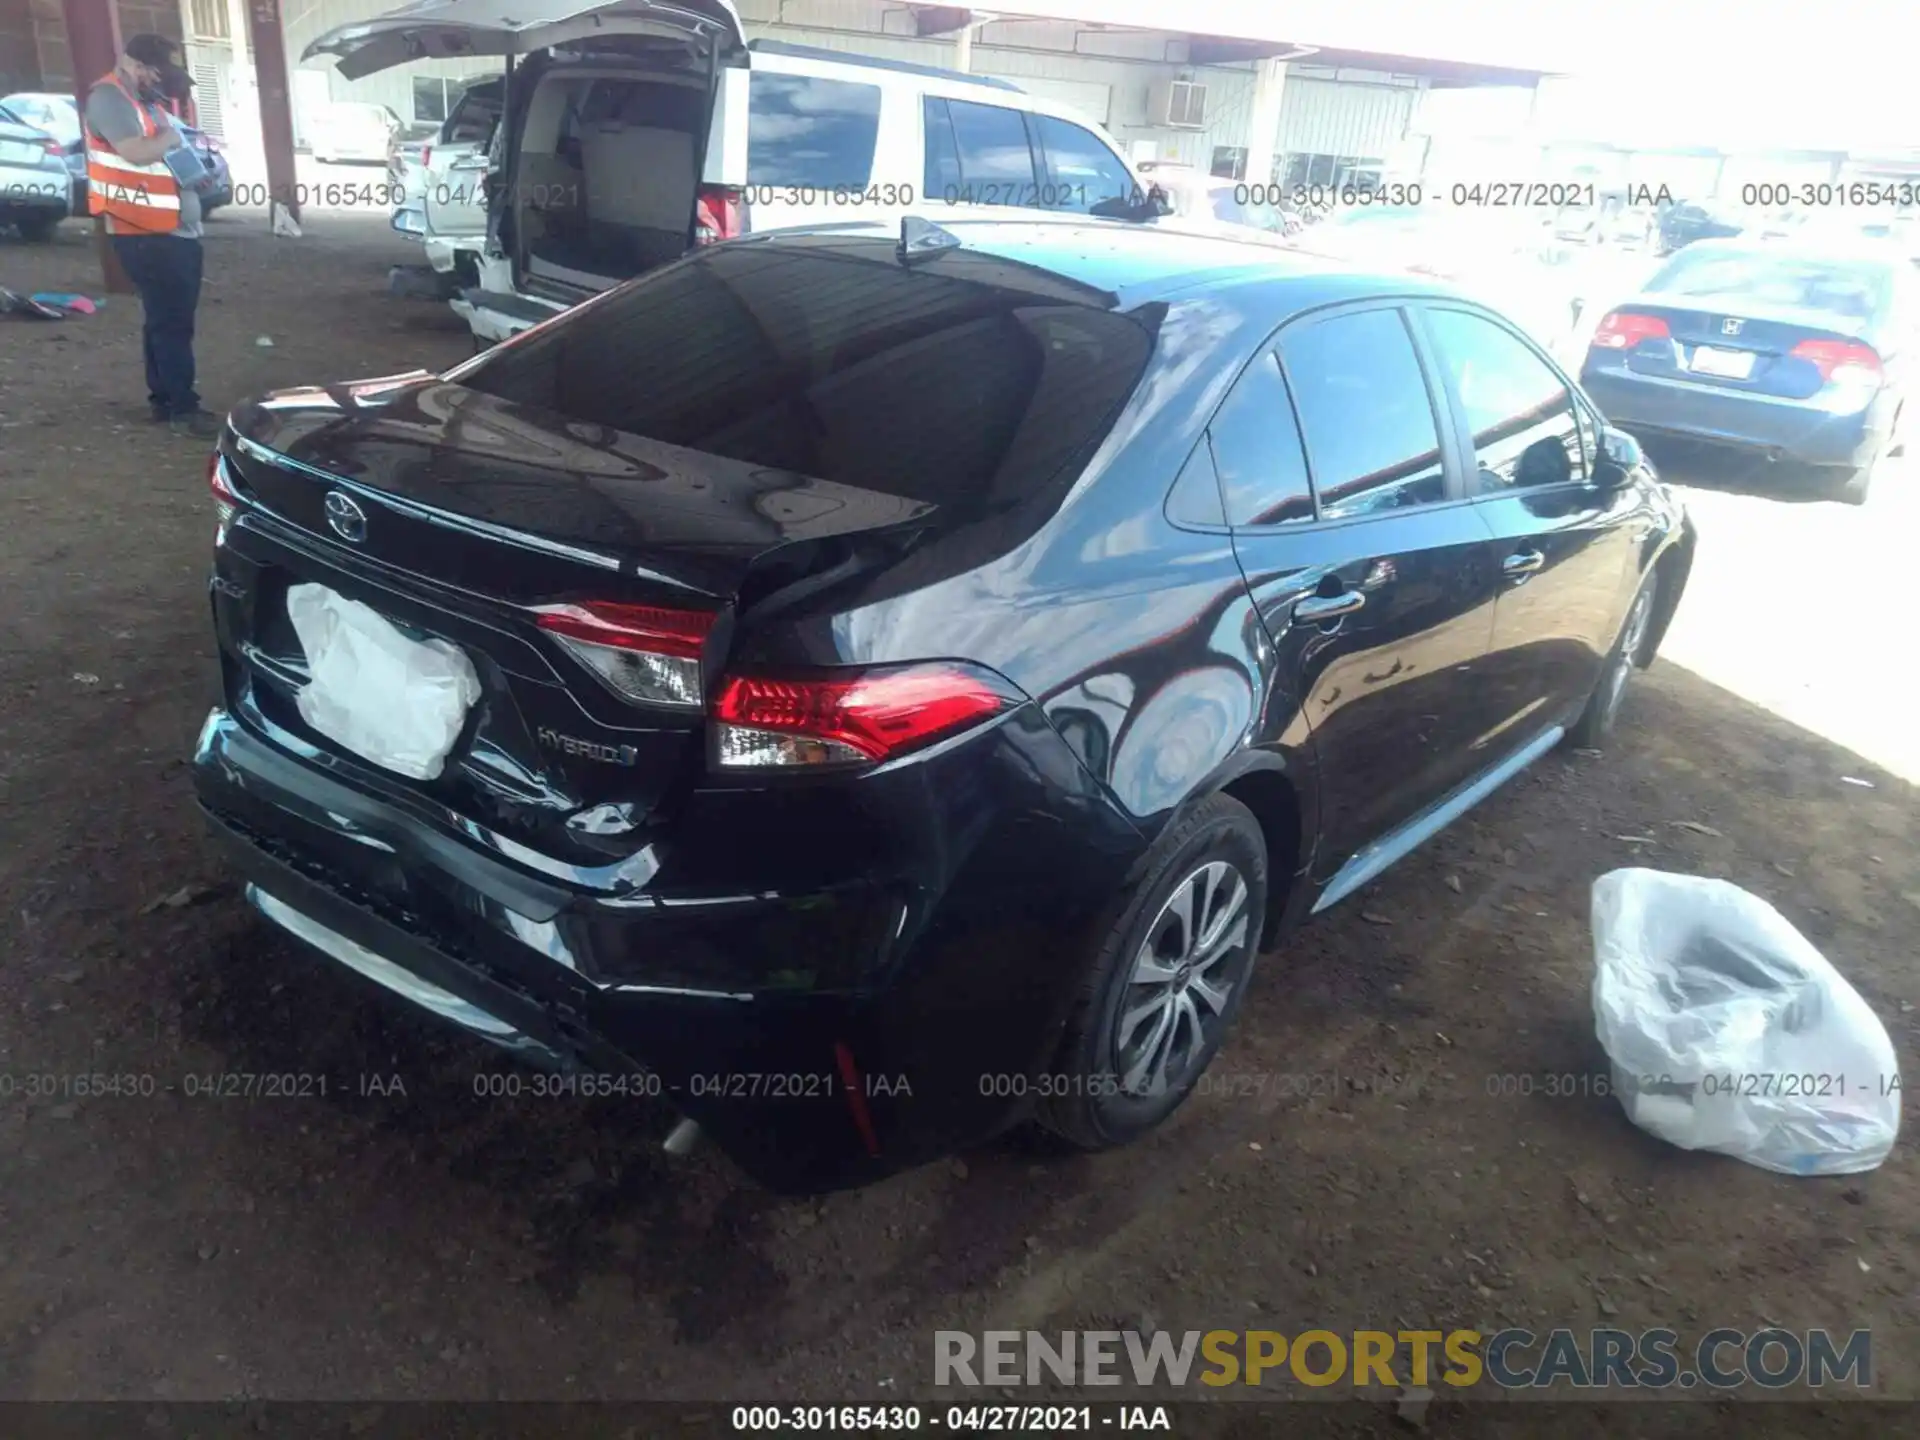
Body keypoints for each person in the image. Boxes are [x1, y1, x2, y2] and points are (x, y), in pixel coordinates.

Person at [84, 33, 219, 438]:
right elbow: (134, 151)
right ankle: (181, 406)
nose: (157, 83)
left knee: (164, 320)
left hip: (168, 228)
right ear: (135, 65)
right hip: (145, 230)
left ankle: (165, 398)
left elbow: (159, 155)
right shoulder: (109, 99)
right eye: (153, 74)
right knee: (171, 322)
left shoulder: (144, 101)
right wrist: (174, 138)